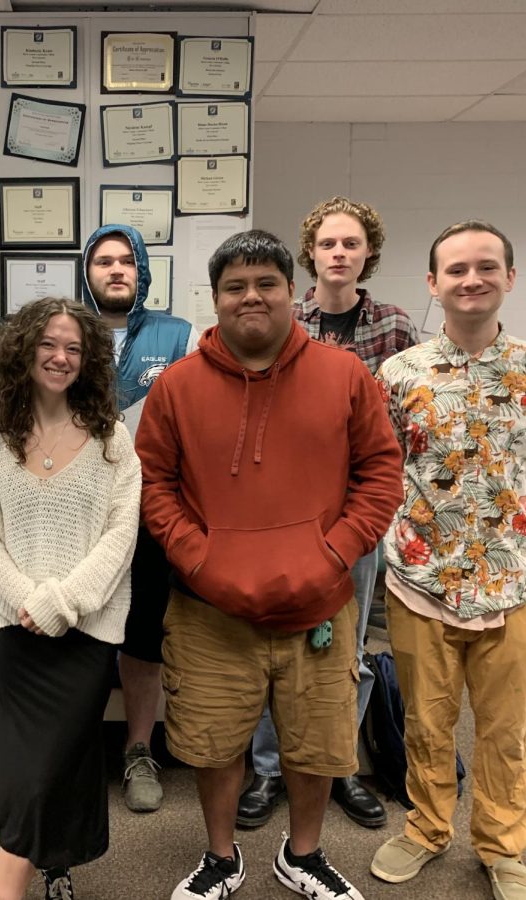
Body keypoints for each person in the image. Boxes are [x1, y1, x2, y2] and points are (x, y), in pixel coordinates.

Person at [136, 229, 403, 900]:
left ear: (292, 292)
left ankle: (303, 855)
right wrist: (200, 561)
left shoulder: (344, 376)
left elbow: (380, 474)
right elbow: (152, 485)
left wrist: (335, 553)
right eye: (235, 287)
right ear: (217, 299)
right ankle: (221, 857)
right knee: (213, 740)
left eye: (266, 284)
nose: (251, 297)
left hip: (318, 604)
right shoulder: (176, 387)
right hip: (209, 608)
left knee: (316, 744)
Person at [371, 221, 526, 900]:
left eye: (487, 267)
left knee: (507, 731)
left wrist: (517, 530)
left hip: (520, 580)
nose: (472, 279)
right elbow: (382, 468)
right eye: (458, 269)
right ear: (433, 283)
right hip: (420, 580)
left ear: (509, 278)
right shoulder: (399, 374)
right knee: (426, 721)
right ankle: (426, 829)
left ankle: (501, 847)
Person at [239, 197, 418, 831]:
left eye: (351, 244)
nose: (339, 254)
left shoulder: (395, 326)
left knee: (351, 646)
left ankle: (337, 765)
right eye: (328, 244)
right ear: (309, 253)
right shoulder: (287, 317)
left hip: (360, 515)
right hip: (289, 510)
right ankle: (266, 767)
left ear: (369, 254)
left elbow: (397, 429)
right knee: (276, 639)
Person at [0, 298, 142, 900]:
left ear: (89, 359)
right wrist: (25, 601)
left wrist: (61, 603)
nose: (61, 358)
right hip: (15, 631)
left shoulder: (112, 441)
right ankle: (30, 874)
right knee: (25, 770)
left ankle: (17, 881)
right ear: (24, 350)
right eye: (49, 345)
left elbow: (121, 537)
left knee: (54, 763)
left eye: (73, 348)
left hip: (87, 634)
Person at [81, 223, 197, 814]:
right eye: (104, 261)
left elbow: (194, 425)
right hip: (79, 517)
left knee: (143, 637)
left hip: (150, 516)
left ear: (143, 268)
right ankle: (72, 753)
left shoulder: (177, 336)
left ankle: (138, 749)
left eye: (126, 260)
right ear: (88, 271)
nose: (117, 270)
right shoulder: (64, 332)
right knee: (78, 627)